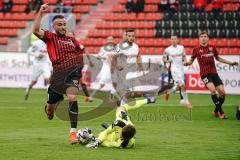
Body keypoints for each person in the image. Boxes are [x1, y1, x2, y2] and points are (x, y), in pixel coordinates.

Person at [33, 3, 85, 144]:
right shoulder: (50, 37)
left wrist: (80, 72)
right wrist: (41, 13)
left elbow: (80, 54)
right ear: (54, 26)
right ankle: (49, 106)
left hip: (72, 74)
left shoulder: (71, 40)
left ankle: (73, 133)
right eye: (59, 24)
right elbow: (36, 30)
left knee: (73, 97)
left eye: (64, 24)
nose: (63, 26)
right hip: (58, 76)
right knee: (50, 112)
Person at [184, 31, 239, 119]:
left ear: (208, 38)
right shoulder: (196, 49)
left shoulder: (212, 47)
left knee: (223, 93)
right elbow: (191, 61)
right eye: (201, 36)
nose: (203, 38)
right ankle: (221, 113)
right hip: (205, 74)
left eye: (205, 36)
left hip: (214, 73)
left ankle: (215, 111)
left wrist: (231, 63)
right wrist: (187, 63)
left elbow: (218, 58)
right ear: (199, 39)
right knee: (213, 91)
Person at [86, 97, 155, 148]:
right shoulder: (120, 121)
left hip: (113, 137)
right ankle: (148, 100)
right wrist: (98, 142)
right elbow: (106, 132)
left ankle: (110, 129)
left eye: (121, 134)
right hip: (118, 126)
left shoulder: (126, 144)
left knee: (97, 135)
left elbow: (109, 144)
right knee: (121, 108)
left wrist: (95, 139)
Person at [163, 35, 192, 108]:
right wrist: (168, 60)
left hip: (181, 69)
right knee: (182, 85)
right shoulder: (167, 49)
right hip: (174, 70)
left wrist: (185, 62)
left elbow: (184, 57)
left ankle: (168, 92)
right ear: (170, 40)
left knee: (179, 86)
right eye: (172, 39)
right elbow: (163, 59)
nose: (173, 40)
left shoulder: (181, 48)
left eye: (175, 39)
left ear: (177, 40)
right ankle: (187, 102)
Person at [89, 36, 116, 102]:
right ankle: (91, 96)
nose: (110, 41)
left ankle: (111, 97)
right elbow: (98, 56)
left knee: (115, 83)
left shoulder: (115, 48)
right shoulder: (103, 48)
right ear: (107, 41)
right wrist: (102, 57)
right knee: (102, 84)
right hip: (106, 67)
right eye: (109, 39)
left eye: (111, 39)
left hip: (114, 68)